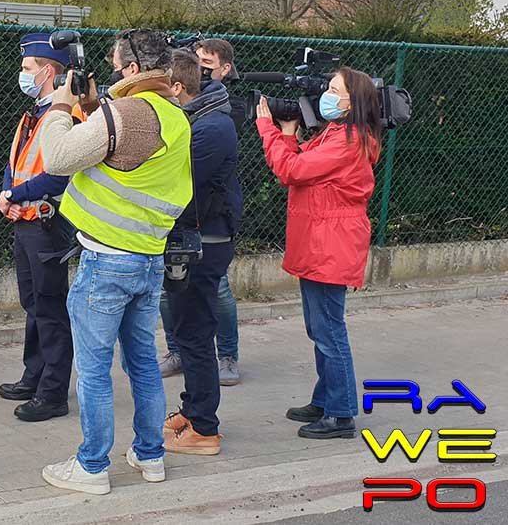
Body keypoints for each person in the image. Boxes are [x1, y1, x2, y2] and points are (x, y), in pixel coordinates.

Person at [38, 29, 193, 495]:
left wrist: (63, 107)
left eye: (114, 65)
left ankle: (91, 467)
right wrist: (92, 110)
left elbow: (58, 158)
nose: (109, 72)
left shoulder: (124, 112)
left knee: (94, 370)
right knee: (143, 364)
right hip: (147, 261)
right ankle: (150, 456)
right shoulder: (175, 116)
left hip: (106, 263)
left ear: (130, 70)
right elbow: (121, 154)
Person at [256, 67, 381, 440]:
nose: (325, 94)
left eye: (332, 89)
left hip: (331, 244)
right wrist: (289, 134)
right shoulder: (337, 133)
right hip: (321, 241)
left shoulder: (347, 140)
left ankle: (341, 415)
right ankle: (326, 399)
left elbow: (290, 169)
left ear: (350, 101)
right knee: (319, 328)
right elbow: (299, 167)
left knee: (329, 331)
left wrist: (268, 128)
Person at [0, 33, 87, 423]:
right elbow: (15, 161)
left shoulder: (69, 114)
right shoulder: (33, 111)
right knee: (32, 304)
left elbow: (59, 173)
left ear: (48, 71)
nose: (23, 74)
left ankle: (53, 393)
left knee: (49, 309)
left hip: (49, 225)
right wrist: (7, 191)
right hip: (26, 222)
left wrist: (14, 195)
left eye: (27, 68)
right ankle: (33, 375)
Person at [160, 49, 243, 457]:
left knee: (195, 333)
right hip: (198, 239)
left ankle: (205, 429)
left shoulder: (211, 128)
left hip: (205, 244)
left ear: (178, 87)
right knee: (189, 331)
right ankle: (193, 410)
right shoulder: (203, 119)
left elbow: (179, 182)